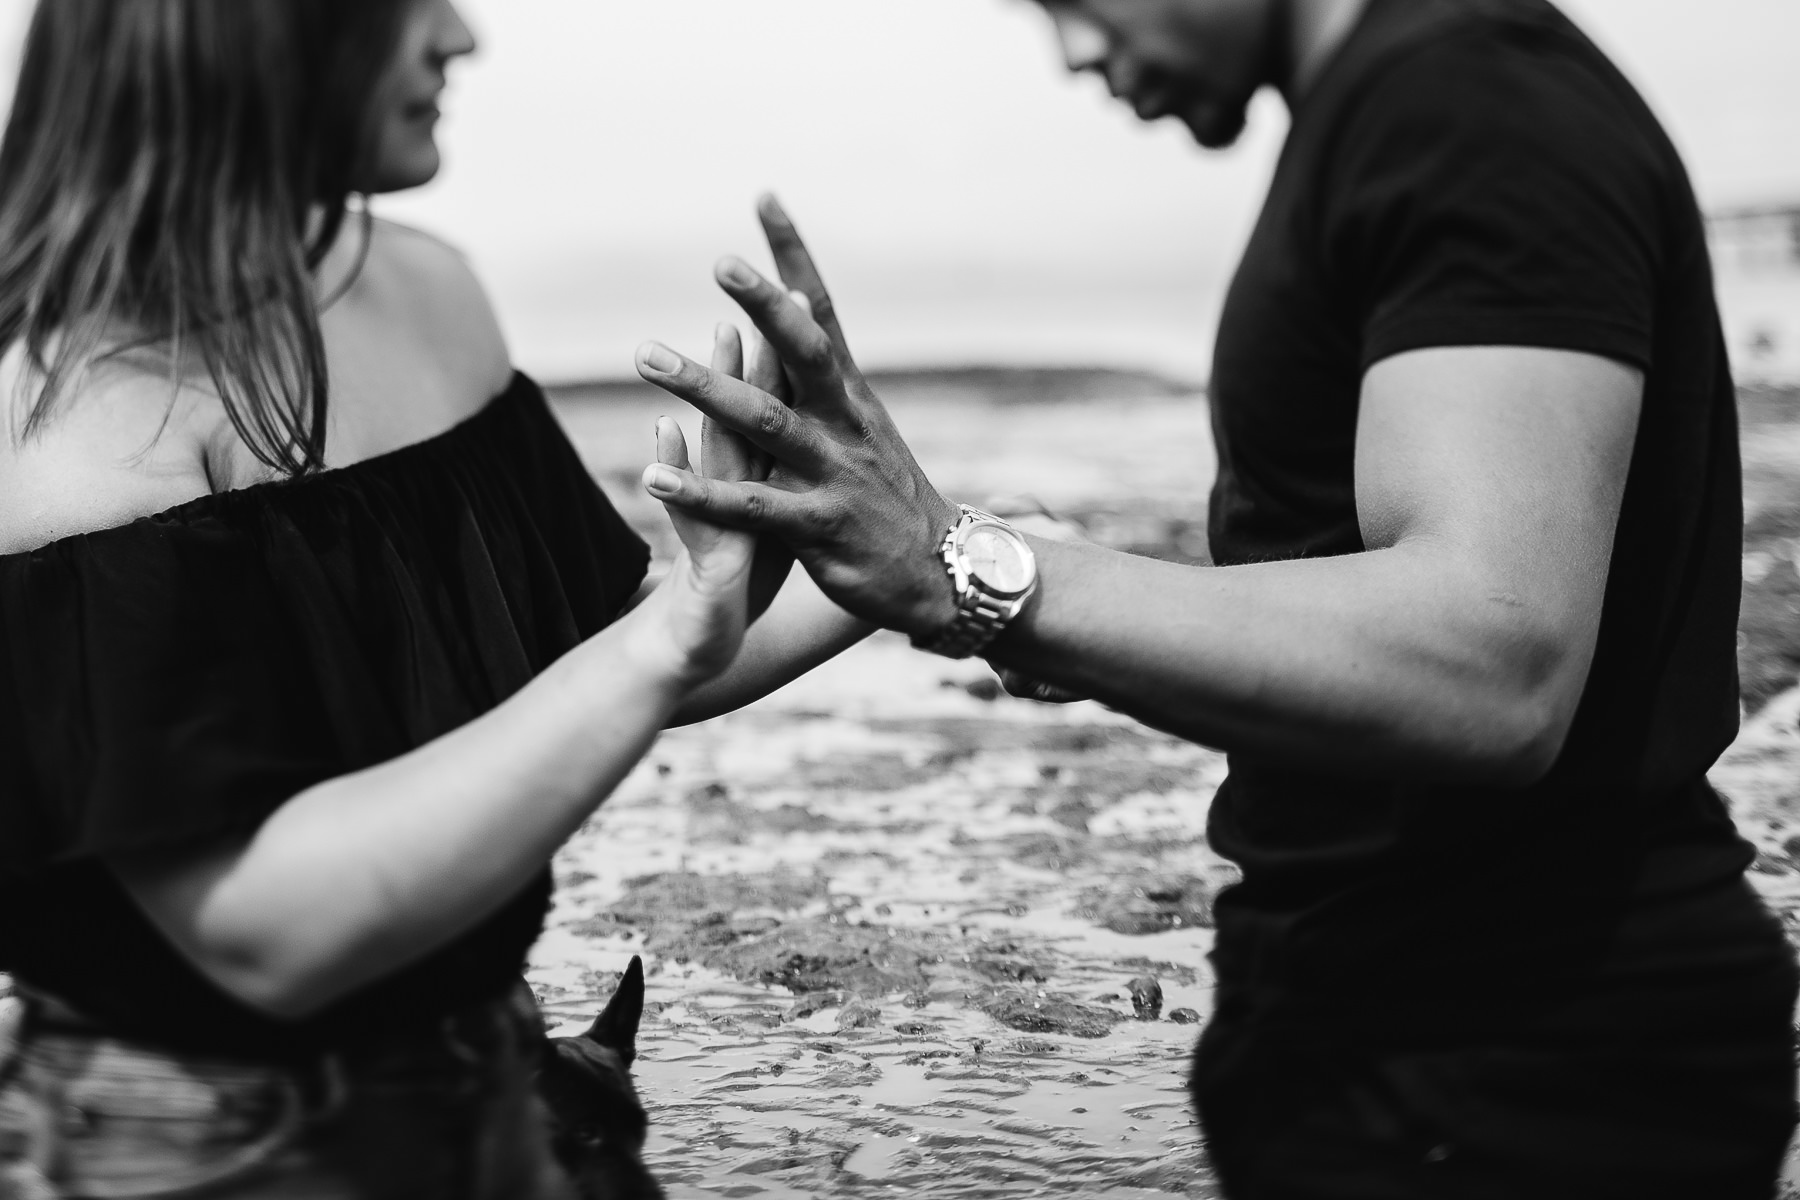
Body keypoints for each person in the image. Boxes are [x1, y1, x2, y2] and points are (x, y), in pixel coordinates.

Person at [633, 0, 1799, 1195]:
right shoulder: (1394, 107)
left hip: (1521, 1055)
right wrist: (1025, 584)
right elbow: (1370, 593)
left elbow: (1491, 661)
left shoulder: (1466, 105)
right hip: (1432, 1033)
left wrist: (976, 569)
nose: (1077, 51)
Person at [0, 1, 865, 1196]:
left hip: (489, 1084)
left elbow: (605, 658)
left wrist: (929, 562)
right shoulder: (60, 407)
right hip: (199, 1146)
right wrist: (664, 640)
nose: (463, 36)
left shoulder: (426, 289)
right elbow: (266, 935)